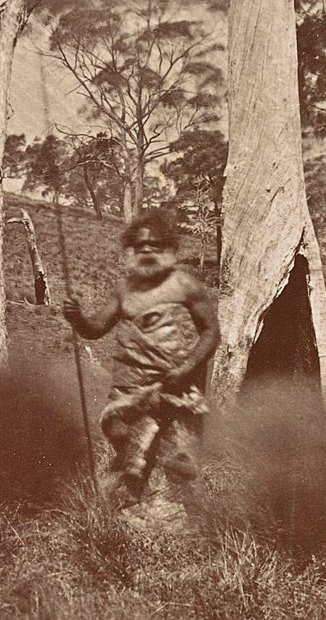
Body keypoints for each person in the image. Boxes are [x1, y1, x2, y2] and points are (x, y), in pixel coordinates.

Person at [63, 209, 220, 503]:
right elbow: (96, 328)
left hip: (177, 387)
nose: (147, 249)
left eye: (155, 244)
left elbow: (211, 332)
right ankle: (130, 513)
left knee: (178, 457)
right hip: (130, 389)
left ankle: (177, 521)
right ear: (130, 250)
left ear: (169, 249)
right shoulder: (124, 290)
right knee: (124, 440)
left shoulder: (185, 285)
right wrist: (77, 318)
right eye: (140, 245)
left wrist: (187, 368)